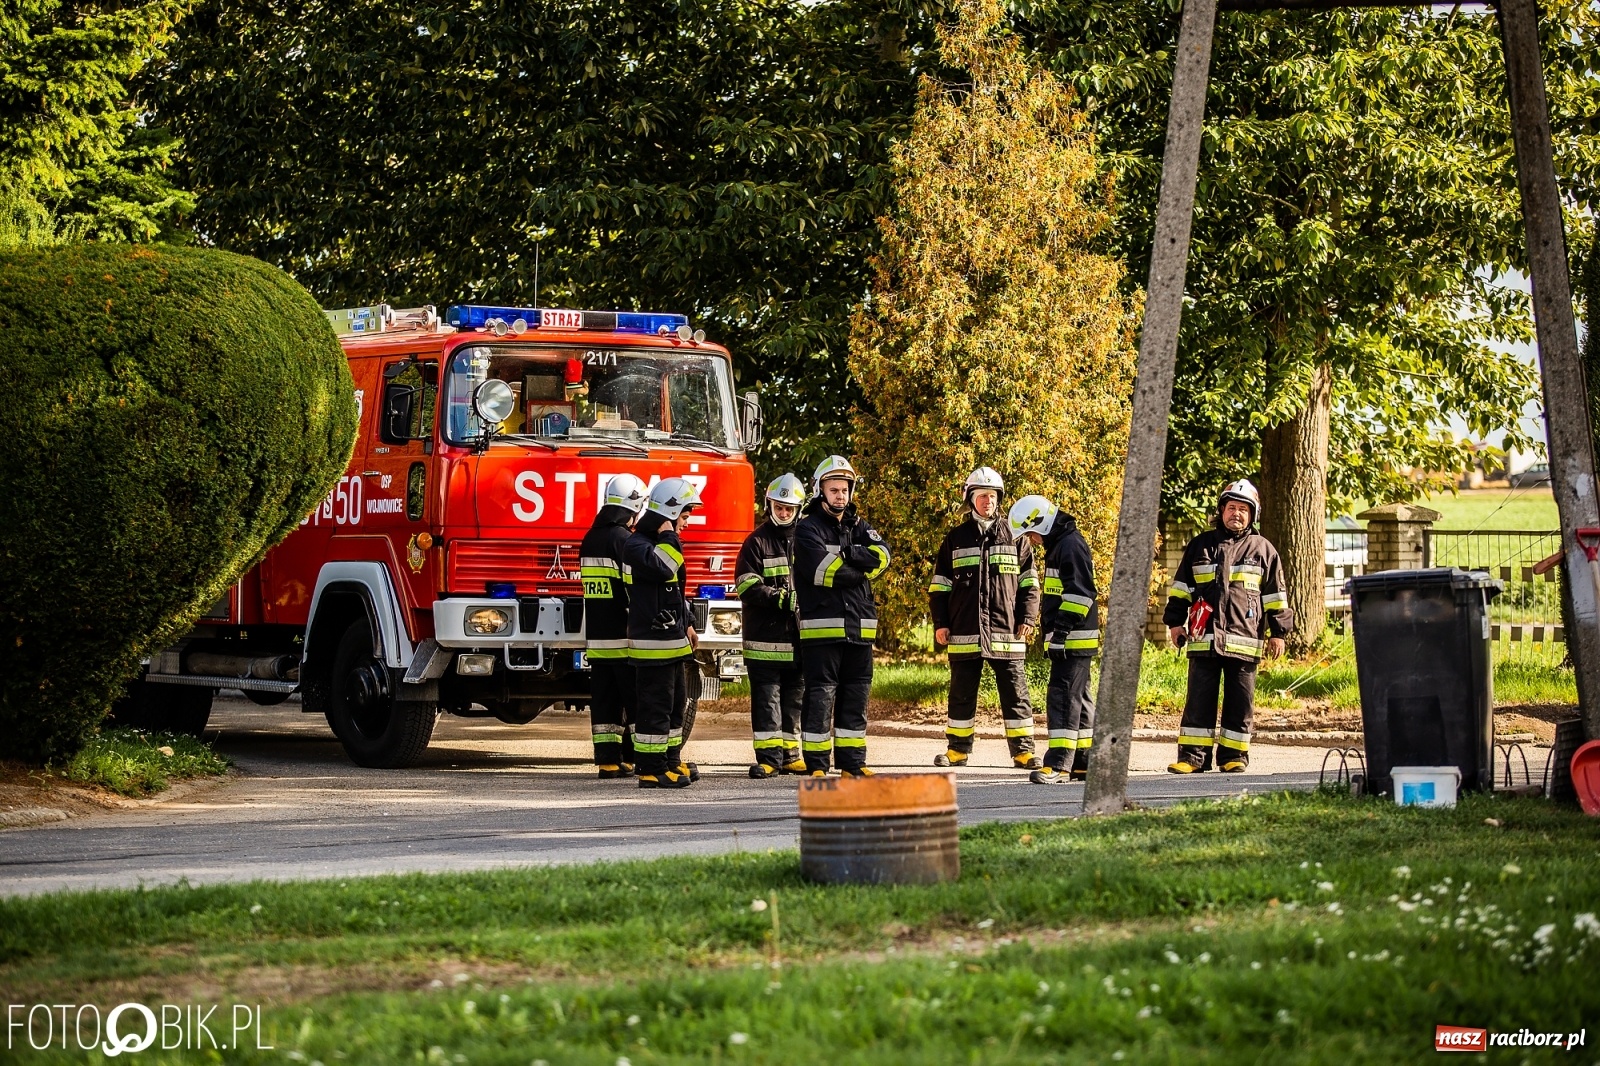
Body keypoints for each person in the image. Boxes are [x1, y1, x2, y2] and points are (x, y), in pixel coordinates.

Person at [1162, 479, 1294, 773]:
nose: (1236, 513)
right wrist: (1174, 623)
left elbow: (1275, 596)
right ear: (1221, 511)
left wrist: (1279, 633)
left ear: (1253, 515)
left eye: (1243, 509)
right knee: (1198, 700)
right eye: (1231, 507)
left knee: (1240, 702)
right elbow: (1182, 588)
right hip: (1203, 639)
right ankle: (1192, 758)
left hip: (1244, 640)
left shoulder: (1264, 550)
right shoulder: (1200, 545)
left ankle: (1233, 757)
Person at [928, 468, 1040, 771]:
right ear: (971, 500)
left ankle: (1024, 752)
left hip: (1007, 632)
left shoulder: (1016, 537)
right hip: (964, 633)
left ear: (999, 499)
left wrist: (1027, 617)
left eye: (992, 496)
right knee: (961, 694)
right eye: (981, 496)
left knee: (1016, 694)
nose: (987, 501)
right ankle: (957, 750)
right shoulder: (955, 538)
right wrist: (941, 623)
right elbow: (939, 587)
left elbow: (1030, 585)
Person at [793, 455, 891, 777]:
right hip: (822, 630)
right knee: (820, 697)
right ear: (820, 491)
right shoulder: (807, 529)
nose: (840, 496)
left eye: (844, 489)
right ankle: (817, 765)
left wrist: (853, 555)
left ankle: (853, 764)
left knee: (856, 696)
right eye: (834, 489)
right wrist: (860, 569)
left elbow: (883, 556)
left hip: (860, 628)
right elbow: (824, 571)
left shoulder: (860, 525)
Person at [1008, 496, 1099, 784]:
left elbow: (1080, 595)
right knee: (1080, 699)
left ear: (1041, 523)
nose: (1031, 540)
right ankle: (1083, 763)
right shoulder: (1064, 543)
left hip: (1071, 636)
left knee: (1062, 697)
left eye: (1030, 533)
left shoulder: (1068, 545)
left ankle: (1058, 765)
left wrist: (1060, 632)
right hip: (1076, 637)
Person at [624, 477, 703, 788]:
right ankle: (651, 769)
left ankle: (670, 761)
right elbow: (664, 569)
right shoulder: (637, 545)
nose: (685, 524)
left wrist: (687, 622)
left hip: (672, 641)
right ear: (669, 514)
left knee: (674, 706)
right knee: (655, 708)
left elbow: (674, 590)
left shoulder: (659, 543)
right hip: (652, 644)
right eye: (683, 516)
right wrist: (669, 536)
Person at [735, 473, 809, 778]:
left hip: (799, 640)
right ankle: (768, 758)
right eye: (779, 507)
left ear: (797, 509)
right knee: (767, 700)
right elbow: (745, 584)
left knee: (794, 700)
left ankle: (791, 755)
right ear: (770, 505)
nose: (783, 513)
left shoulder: (807, 539)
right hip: (765, 641)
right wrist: (781, 598)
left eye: (788, 509)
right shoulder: (756, 542)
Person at [579, 473, 649, 779]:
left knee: (604, 701)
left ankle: (607, 761)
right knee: (634, 700)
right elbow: (633, 585)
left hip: (598, 637)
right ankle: (636, 758)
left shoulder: (589, 539)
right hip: (624, 636)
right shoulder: (623, 540)